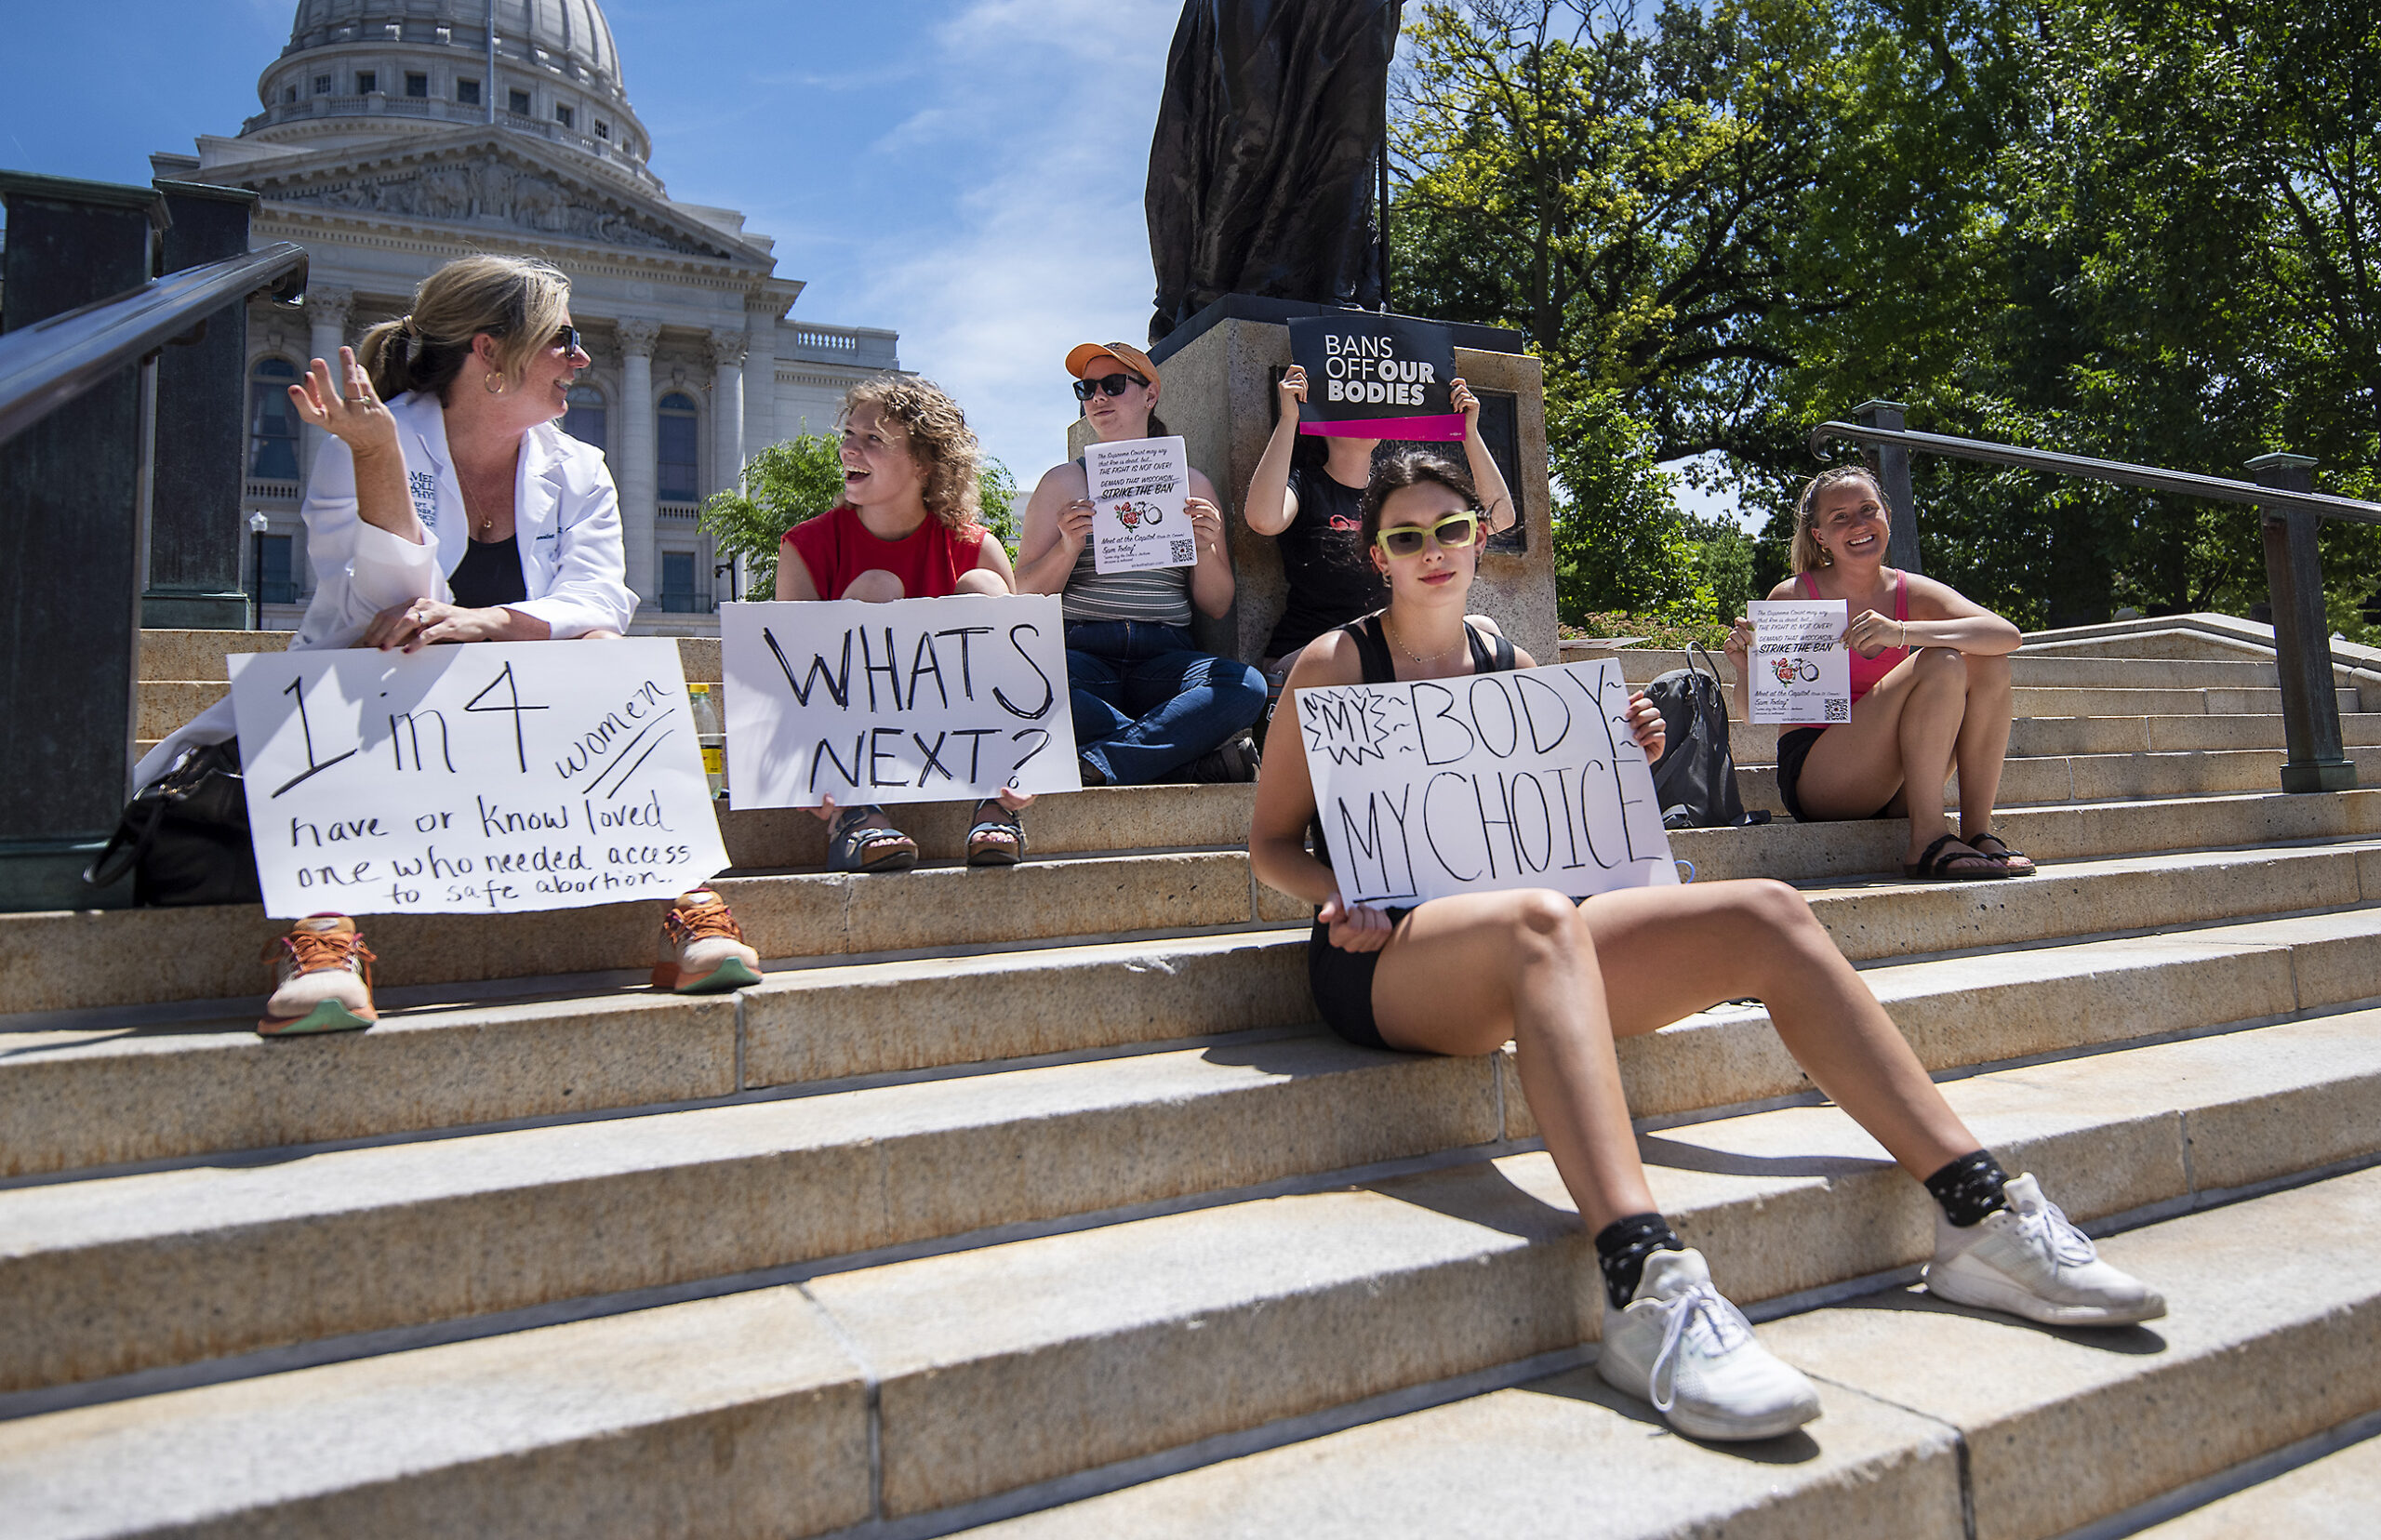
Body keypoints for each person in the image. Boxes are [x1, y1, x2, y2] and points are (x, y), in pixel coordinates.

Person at [1251, 450, 2162, 1441]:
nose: (1433, 552)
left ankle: (1978, 1211)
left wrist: (1621, 751)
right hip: (1383, 958)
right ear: (1377, 556)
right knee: (1540, 921)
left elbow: (1559, 829)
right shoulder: (1335, 664)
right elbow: (1269, 848)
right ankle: (1645, 1281)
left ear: (1483, 536)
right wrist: (1340, 891)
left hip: (1526, 940)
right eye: (1406, 537)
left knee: (1764, 907)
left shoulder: (1506, 661)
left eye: (1451, 529)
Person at [132, 255, 753, 1031]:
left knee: (601, 644)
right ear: (490, 351)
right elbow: (377, 605)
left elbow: (601, 597)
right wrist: (378, 461)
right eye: (562, 338)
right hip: (389, 707)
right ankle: (324, 935)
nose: (582, 357)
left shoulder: (581, 467)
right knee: (387, 644)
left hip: (523, 727)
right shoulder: (365, 442)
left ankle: (688, 901)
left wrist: (488, 622)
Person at [776, 376, 1032, 870]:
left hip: (954, 739)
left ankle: (999, 801)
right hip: (855, 743)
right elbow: (793, 679)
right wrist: (807, 765)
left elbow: (1020, 678)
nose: (850, 449)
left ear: (924, 463)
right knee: (877, 587)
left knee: (985, 588)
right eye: (848, 435)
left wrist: (1031, 761)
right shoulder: (805, 547)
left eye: (873, 440)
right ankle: (853, 813)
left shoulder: (977, 546)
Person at [1727, 465, 2032, 880]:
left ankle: (1977, 830)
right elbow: (1749, 714)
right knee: (1941, 661)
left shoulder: (1911, 591)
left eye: (1868, 509)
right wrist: (1747, 671)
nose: (1859, 524)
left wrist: (1901, 631)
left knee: (1988, 661)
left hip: (1897, 778)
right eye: (1840, 517)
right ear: (1820, 536)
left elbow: (2007, 635)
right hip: (1822, 777)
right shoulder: (1796, 595)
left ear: (1886, 514)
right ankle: (1927, 839)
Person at [1017, 341, 1267, 785]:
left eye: (1113, 385)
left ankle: (1104, 759)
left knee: (1246, 687)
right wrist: (1067, 548)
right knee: (1020, 682)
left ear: (1150, 395)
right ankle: (1182, 756)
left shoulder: (1192, 484)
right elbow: (1022, 592)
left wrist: (1206, 548)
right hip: (1082, 655)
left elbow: (1218, 604)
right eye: (1086, 388)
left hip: (1166, 657)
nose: (1098, 398)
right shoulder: (1063, 481)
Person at [1242, 362, 1517, 699]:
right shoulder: (1307, 485)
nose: (1365, 411)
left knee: (1484, 632)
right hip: (1311, 658)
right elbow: (1263, 519)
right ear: (1321, 421)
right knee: (1380, 646)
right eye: (1350, 402)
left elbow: (1501, 518)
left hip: (1393, 651)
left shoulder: (1392, 500)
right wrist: (1289, 419)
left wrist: (1469, 433)